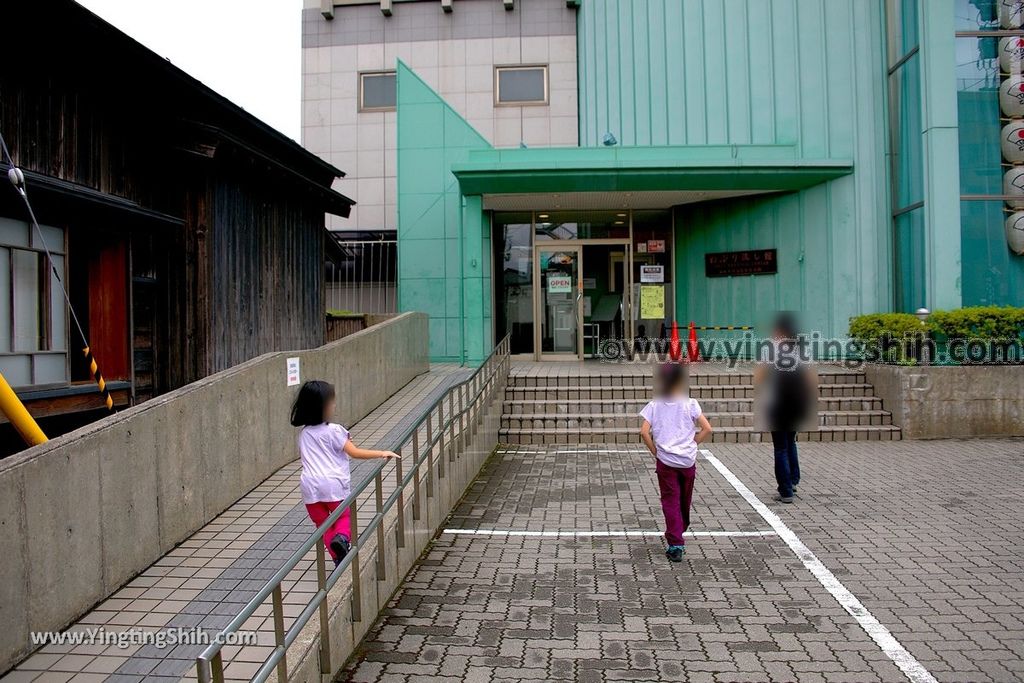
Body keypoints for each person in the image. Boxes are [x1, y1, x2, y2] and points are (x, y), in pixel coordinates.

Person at [290, 380, 399, 567]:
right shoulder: (334, 430)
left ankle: (337, 558)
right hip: (332, 483)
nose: (334, 405)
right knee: (344, 516)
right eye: (332, 402)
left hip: (309, 486)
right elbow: (354, 453)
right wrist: (382, 453)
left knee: (323, 525)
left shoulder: (304, 433)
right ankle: (342, 539)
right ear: (323, 407)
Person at [640, 363, 713, 563]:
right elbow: (707, 428)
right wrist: (693, 443)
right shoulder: (690, 403)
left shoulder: (655, 404)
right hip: (687, 461)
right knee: (684, 499)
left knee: (670, 500)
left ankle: (675, 542)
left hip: (666, 461)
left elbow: (644, 432)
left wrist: (655, 451)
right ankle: (680, 528)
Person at [755, 312, 816, 504]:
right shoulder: (801, 348)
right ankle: (793, 480)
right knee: (791, 442)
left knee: (780, 447)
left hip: (777, 404)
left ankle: (786, 490)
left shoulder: (771, 349)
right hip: (796, 403)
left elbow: (760, 377)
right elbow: (811, 379)